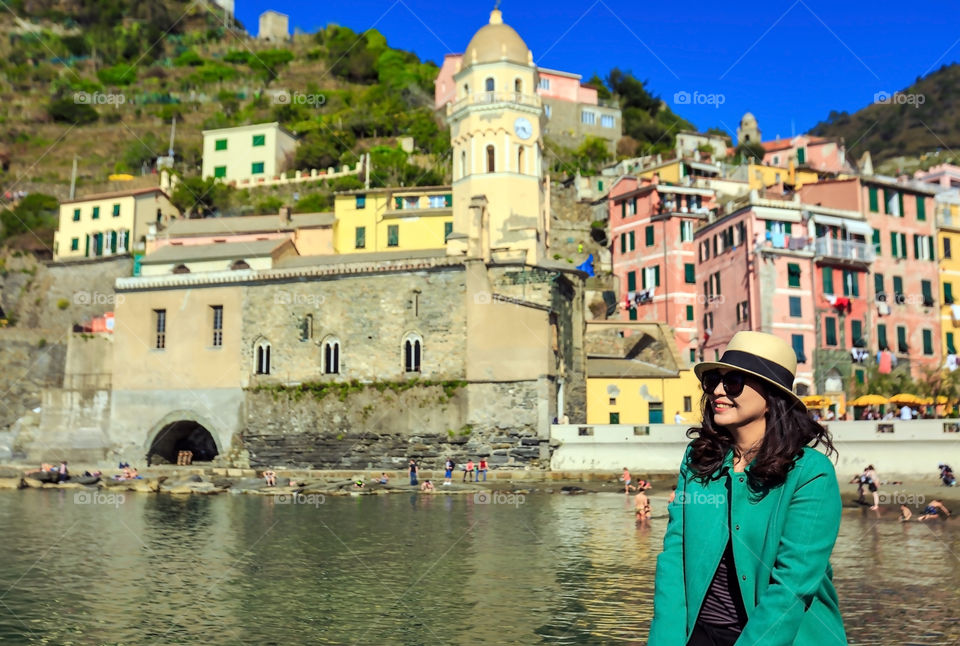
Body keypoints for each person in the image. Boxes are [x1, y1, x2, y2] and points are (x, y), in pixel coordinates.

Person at [649, 331, 846, 646]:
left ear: (771, 396)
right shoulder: (698, 458)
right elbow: (675, 556)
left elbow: (792, 585)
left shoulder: (810, 474)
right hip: (698, 635)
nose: (717, 390)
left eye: (734, 382)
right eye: (713, 379)